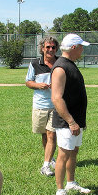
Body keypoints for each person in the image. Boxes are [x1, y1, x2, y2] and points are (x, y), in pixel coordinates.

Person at [51, 34, 91, 195]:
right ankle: (60, 192)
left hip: (76, 120)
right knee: (63, 154)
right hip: (67, 122)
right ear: (74, 48)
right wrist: (71, 121)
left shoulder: (70, 65)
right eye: (81, 47)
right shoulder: (60, 68)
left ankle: (71, 182)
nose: (83, 50)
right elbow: (57, 98)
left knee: (73, 152)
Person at [25, 36, 59, 176]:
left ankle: (45, 166)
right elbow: (28, 82)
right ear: (42, 48)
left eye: (53, 47)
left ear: (56, 49)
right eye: (48, 47)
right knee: (44, 135)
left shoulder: (60, 63)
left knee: (51, 134)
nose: (50, 50)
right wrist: (38, 85)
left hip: (57, 105)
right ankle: (50, 159)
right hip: (40, 105)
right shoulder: (34, 64)